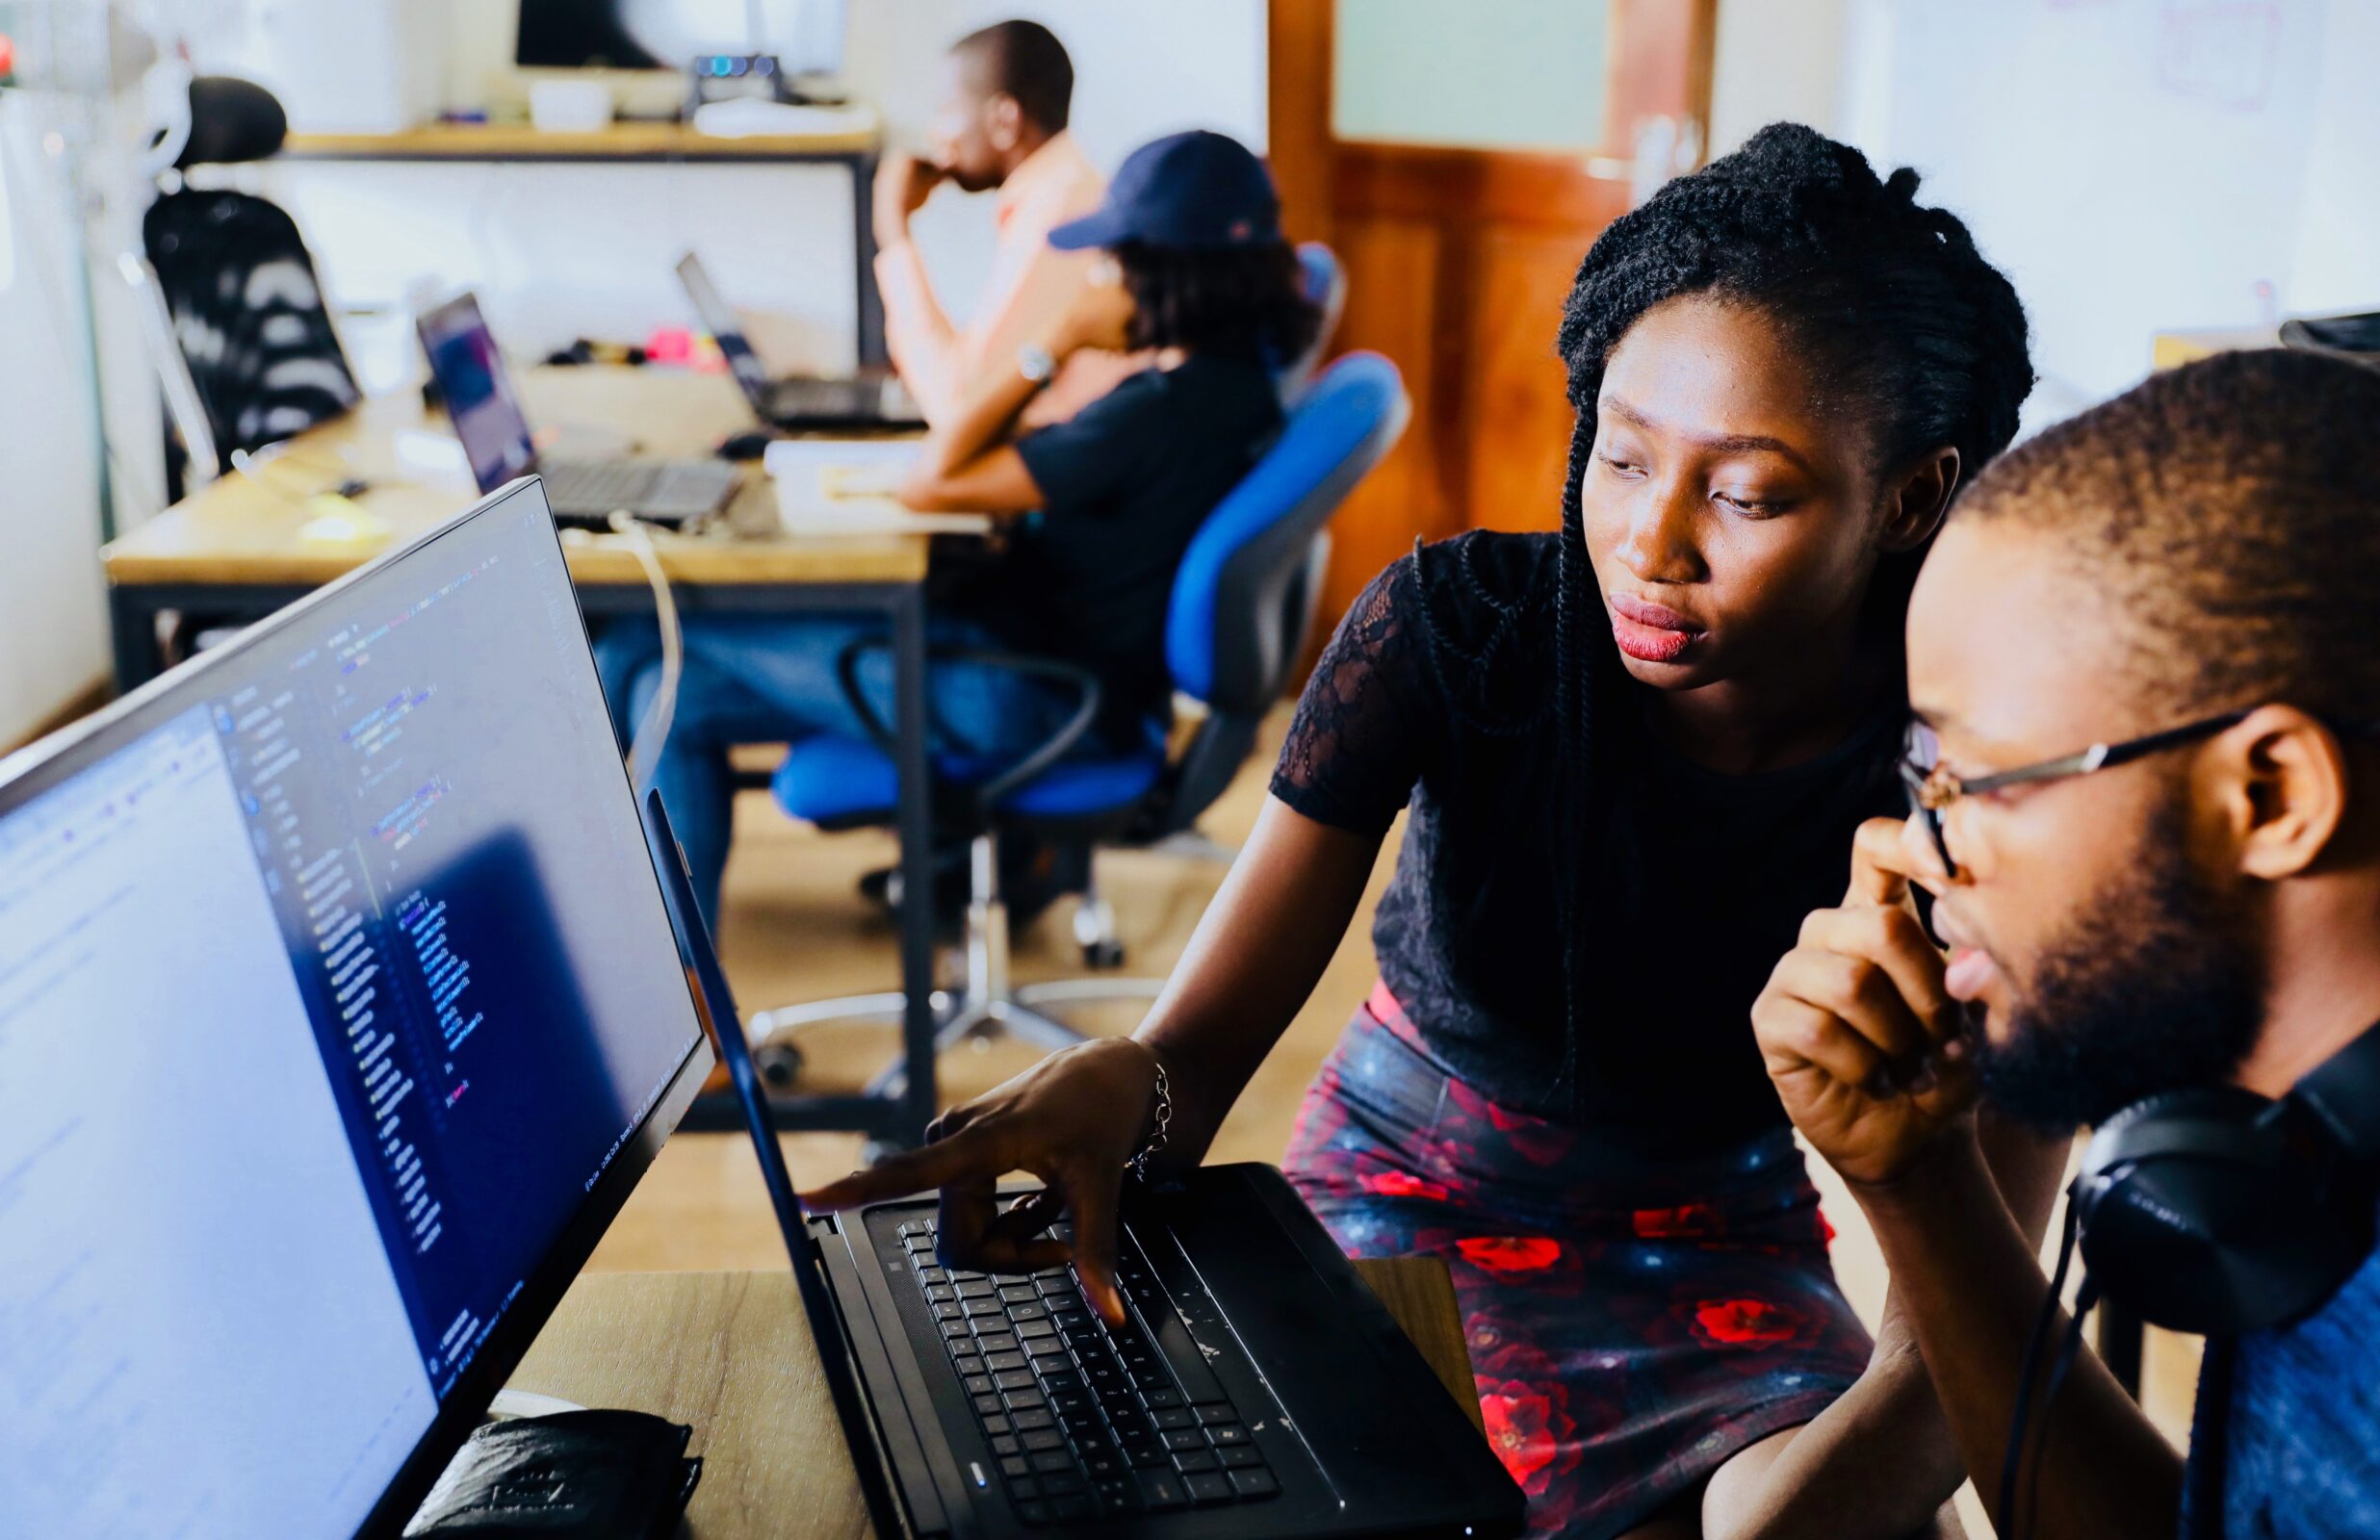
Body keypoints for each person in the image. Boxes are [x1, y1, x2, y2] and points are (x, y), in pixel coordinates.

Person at [805, 124, 2050, 1539]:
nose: (1649, 546)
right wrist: (1123, 1088)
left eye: (1744, 493)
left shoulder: (1982, 785)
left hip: (1721, 1247)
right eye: (1620, 458)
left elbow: (1959, 1346)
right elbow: (1190, 1066)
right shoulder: (1457, 637)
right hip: (1404, 1195)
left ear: (1910, 496)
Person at [1751, 347, 2380, 1539]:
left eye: (1977, 780)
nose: (1914, 846)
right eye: (1921, 774)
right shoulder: (2289, 1154)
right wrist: (1918, 1181)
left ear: (2269, 796)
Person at [604, 130, 1319, 934]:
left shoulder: (1154, 416)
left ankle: (628, 950)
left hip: (1024, 697)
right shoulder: (1237, 390)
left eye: (1112, 259)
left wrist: (1052, 344)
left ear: (1163, 273)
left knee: (640, 643)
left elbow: (932, 480)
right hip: (1060, 677)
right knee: (669, 693)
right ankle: (689, 982)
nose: (1098, 276)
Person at [873, 18, 1133, 425]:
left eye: (946, 110)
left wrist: (893, 233)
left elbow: (958, 406)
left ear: (1005, 121)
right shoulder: (1060, 192)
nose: (935, 133)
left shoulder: (1059, 214)